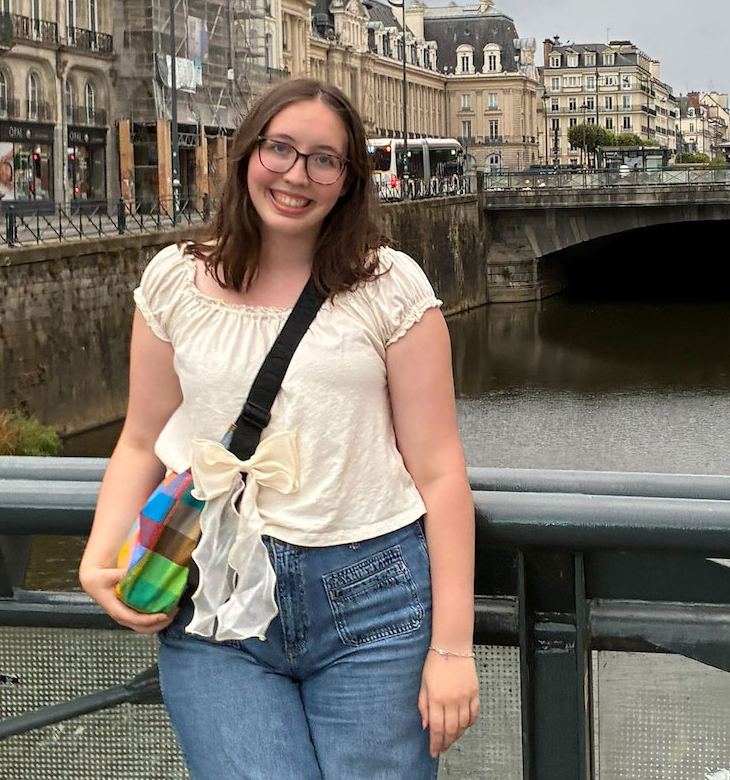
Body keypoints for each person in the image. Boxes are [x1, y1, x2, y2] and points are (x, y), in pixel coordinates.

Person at [80, 77, 479, 779]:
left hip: (370, 597)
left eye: (324, 160)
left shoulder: (389, 287)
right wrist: (99, 554)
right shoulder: (175, 281)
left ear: (348, 179)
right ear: (248, 154)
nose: (297, 175)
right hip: (212, 593)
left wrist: (452, 648)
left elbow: (441, 473)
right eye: (281, 149)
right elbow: (142, 437)